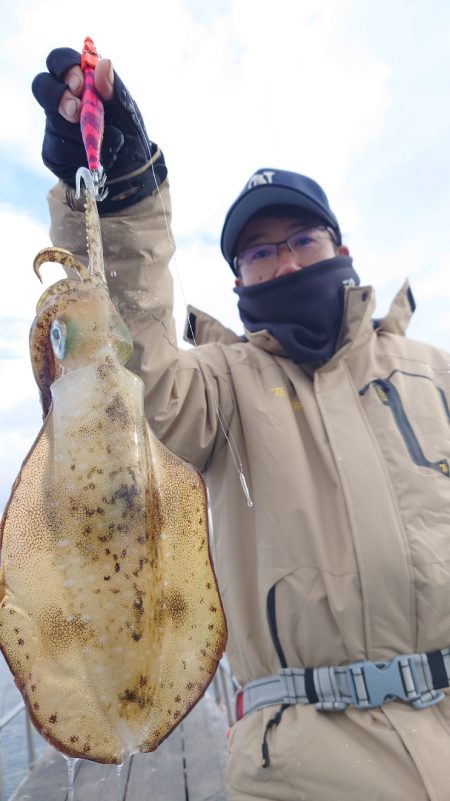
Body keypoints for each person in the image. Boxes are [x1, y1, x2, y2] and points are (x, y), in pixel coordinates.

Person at [32, 48, 450, 801]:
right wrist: (117, 197)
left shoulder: (434, 372)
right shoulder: (219, 389)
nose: (285, 264)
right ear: (236, 281)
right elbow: (139, 351)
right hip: (299, 766)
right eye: (259, 253)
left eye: (301, 241)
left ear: (340, 250)